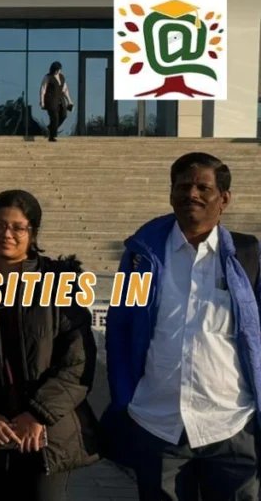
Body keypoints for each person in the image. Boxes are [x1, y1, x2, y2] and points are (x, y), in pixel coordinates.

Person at [103, 152, 261, 501]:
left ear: (224, 199)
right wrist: (127, 399)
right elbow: (119, 330)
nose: (192, 194)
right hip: (159, 424)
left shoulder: (248, 257)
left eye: (204, 187)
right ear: (171, 192)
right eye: (183, 185)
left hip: (231, 425)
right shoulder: (140, 256)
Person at [0, 190, 102, 501]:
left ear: (33, 232)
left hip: (47, 431)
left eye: (18, 227)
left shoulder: (60, 283)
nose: (7, 235)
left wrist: (37, 414)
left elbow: (78, 362)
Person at [39, 61, 73, 142]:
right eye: (56, 70)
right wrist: (42, 101)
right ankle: (52, 136)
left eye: (59, 70)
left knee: (64, 115)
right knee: (54, 117)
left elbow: (65, 90)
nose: (57, 71)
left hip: (60, 99)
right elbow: (42, 89)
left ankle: (50, 128)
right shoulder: (48, 77)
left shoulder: (62, 77)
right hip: (50, 100)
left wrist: (70, 101)